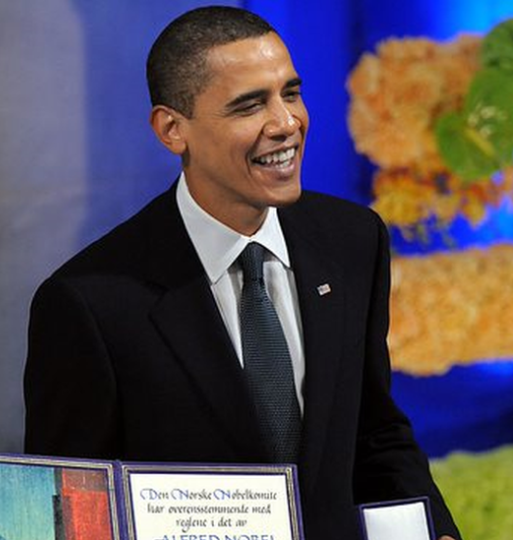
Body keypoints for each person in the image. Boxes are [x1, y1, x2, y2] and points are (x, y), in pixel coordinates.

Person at [23, 6, 461, 540]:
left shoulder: (353, 240)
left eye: (291, 93)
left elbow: (374, 430)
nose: (286, 123)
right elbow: (72, 513)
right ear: (171, 129)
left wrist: (432, 529)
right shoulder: (89, 303)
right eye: (249, 105)